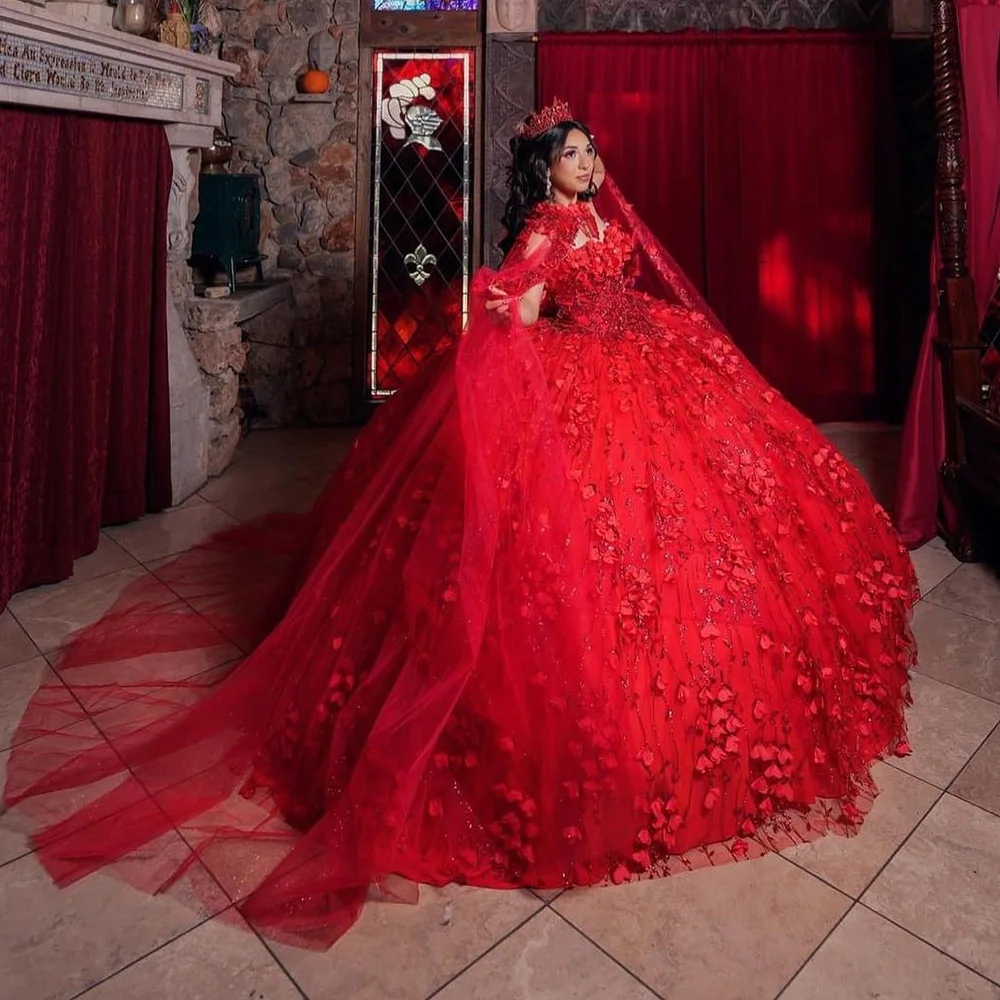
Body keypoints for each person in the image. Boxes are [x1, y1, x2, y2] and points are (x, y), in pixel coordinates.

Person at [2, 100, 916, 951]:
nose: (589, 161)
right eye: (571, 154)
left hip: (645, 360)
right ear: (542, 171)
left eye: (591, 149)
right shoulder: (546, 228)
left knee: (707, 528)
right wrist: (511, 304)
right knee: (575, 556)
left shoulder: (602, 214)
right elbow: (521, 309)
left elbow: (616, 282)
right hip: (582, 382)